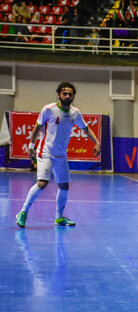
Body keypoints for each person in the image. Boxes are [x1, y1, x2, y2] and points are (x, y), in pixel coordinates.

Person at [15, 82, 101, 228]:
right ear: (59, 94)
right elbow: (37, 127)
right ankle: (22, 212)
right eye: (64, 93)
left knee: (64, 186)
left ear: (73, 96)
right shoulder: (48, 109)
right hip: (45, 152)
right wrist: (31, 147)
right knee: (42, 183)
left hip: (61, 155)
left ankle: (59, 218)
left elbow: (86, 129)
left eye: (70, 94)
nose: (67, 96)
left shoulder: (75, 113)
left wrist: (97, 142)